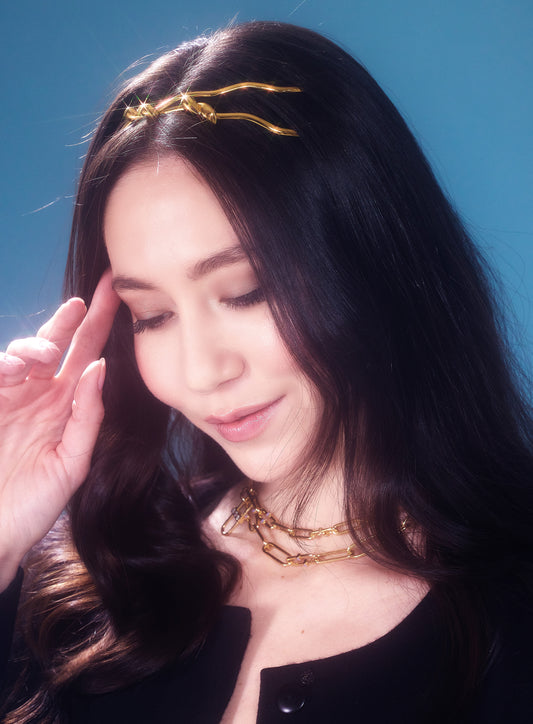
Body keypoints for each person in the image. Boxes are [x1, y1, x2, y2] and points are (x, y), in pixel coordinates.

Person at [1, 20, 533, 724]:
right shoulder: (88, 579)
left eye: (247, 292)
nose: (202, 371)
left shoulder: (512, 608)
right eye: (152, 315)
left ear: (371, 259)